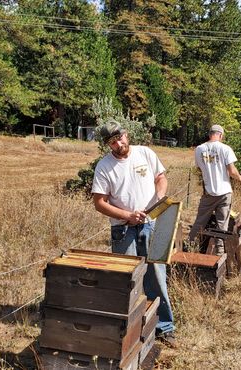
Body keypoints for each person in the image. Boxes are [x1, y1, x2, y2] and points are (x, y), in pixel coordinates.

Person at [91, 121, 176, 347]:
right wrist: (127, 215)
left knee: (156, 276)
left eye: (120, 138)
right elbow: (99, 203)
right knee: (126, 278)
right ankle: (127, 328)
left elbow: (161, 177)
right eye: (113, 142)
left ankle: (165, 326)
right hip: (123, 229)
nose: (119, 144)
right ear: (107, 144)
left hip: (152, 224)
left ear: (126, 134)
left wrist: (158, 197)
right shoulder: (104, 166)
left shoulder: (145, 153)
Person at [189, 124, 241, 255]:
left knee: (199, 222)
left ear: (210, 134)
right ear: (220, 135)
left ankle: (189, 246)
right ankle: (219, 253)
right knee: (221, 226)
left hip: (208, 192)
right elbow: (231, 171)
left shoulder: (199, 149)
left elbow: (199, 168)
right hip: (224, 193)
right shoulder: (225, 149)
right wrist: (240, 178)